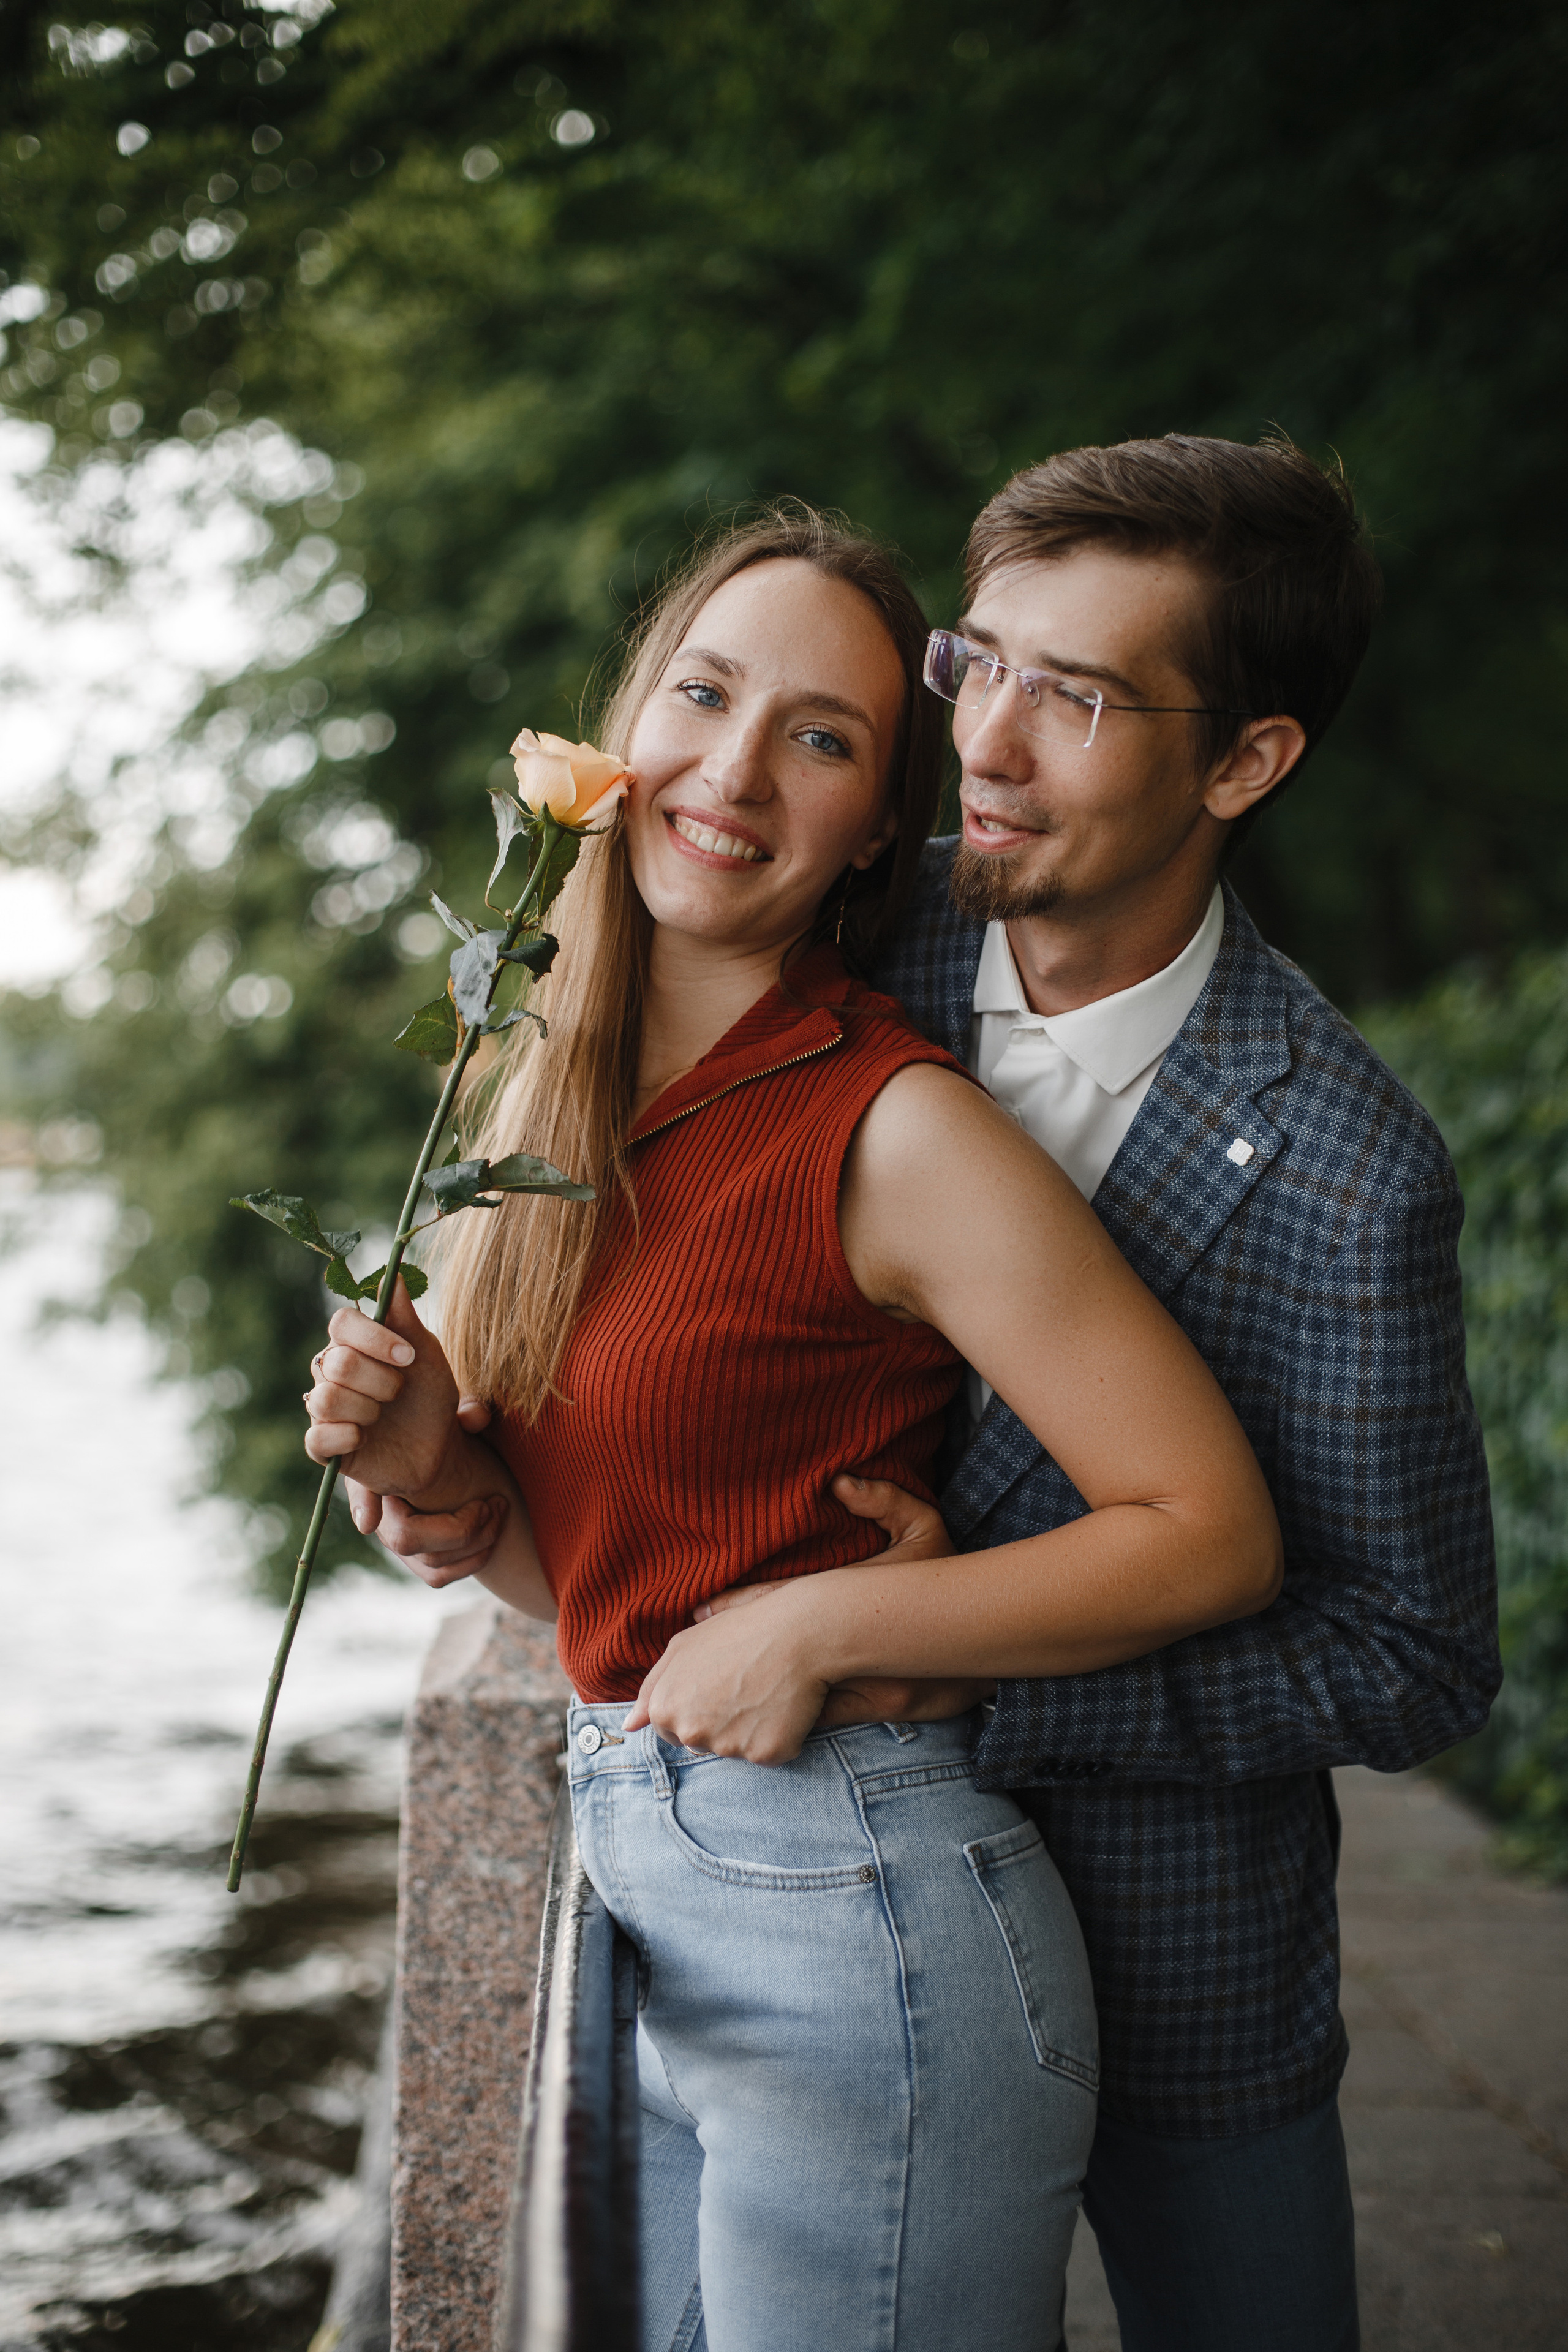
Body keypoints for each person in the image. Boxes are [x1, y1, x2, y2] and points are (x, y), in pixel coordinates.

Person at [301, 507, 1284, 2352]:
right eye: (704, 693)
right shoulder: (523, 1100)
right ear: (624, 732)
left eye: (823, 739)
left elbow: (1207, 1525)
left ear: (868, 837)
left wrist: (830, 1621)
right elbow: (607, 1604)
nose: (737, 768)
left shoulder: (892, 1129)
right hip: (653, 1923)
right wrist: (432, 1467)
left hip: (868, 1948)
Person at [813, 434, 1496, 2352]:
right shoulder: (842, 966)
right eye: (983, 663)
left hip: (1185, 1967)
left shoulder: (1359, 1169)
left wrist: (1000, 1668)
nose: (992, 743)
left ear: (1246, 761)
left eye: (1083, 694)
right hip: (828, 1911)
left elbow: (1416, 1656)